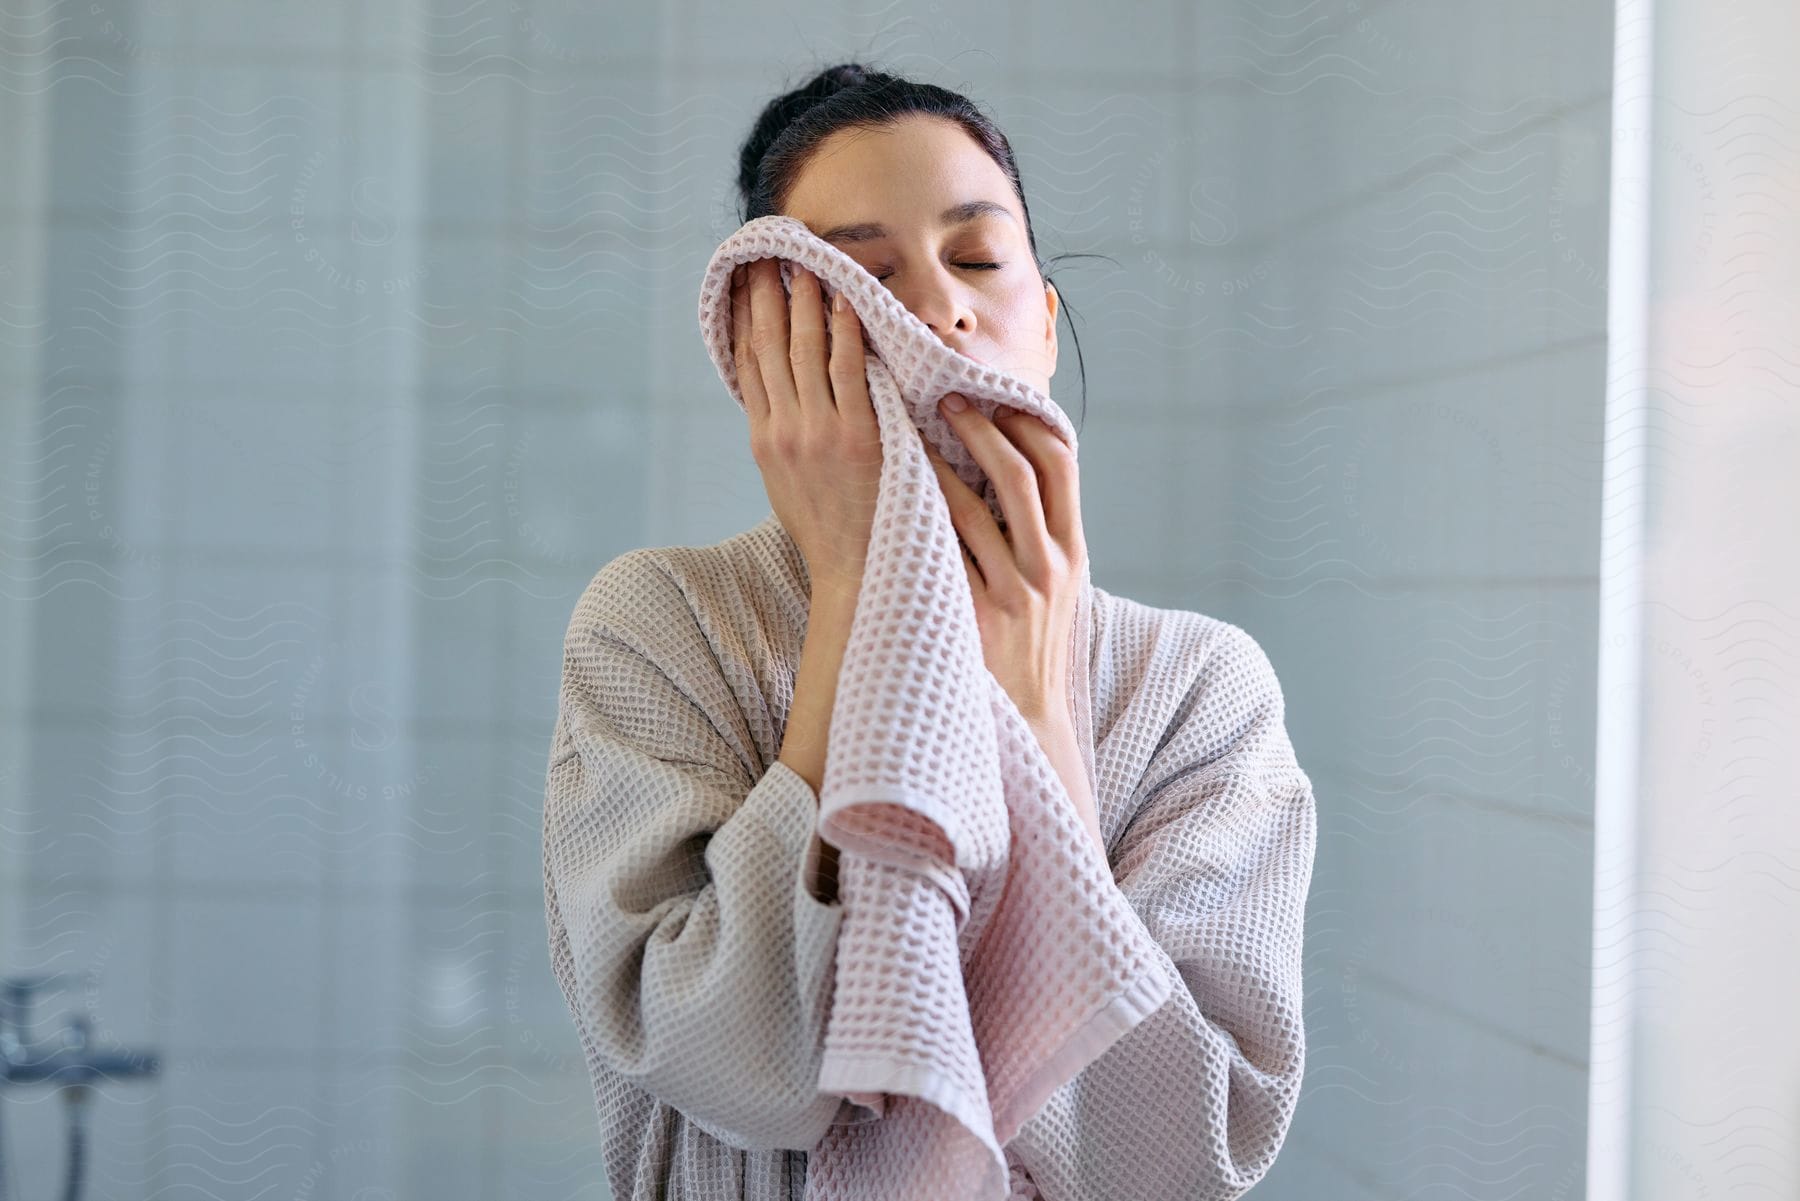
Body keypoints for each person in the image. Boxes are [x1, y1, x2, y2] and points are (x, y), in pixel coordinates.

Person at [541, 61, 1319, 1201]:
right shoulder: (665, 628)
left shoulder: (1199, 689)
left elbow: (1180, 1158)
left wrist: (1041, 698)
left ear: (1044, 324)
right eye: (865, 275)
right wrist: (853, 590)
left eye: (978, 259)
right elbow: (738, 1064)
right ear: (765, 356)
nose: (942, 309)